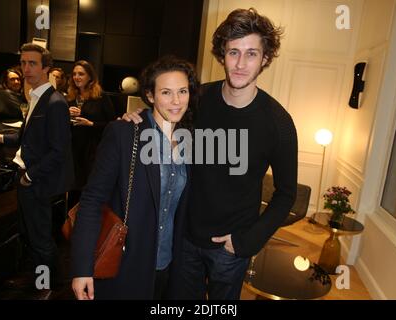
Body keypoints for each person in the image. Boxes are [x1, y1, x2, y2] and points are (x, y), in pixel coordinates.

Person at [122, 8, 298, 300]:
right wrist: (136, 117)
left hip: (231, 247)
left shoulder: (278, 123)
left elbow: (286, 194)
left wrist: (247, 241)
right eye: (233, 52)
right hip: (185, 238)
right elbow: (164, 110)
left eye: (251, 53)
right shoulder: (198, 99)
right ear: (222, 55)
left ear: (265, 58)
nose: (240, 64)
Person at [71, 56, 199, 300]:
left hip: (168, 266)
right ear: (150, 96)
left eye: (182, 91)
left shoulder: (189, 138)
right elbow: (92, 200)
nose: (176, 101)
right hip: (126, 265)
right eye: (166, 92)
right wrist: (82, 268)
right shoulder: (124, 133)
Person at [0, 43, 74, 290]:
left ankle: (49, 286)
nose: (26, 69)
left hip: (37, 180)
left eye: (32, 63)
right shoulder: (35, 98)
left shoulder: (55, 102)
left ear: (46, 68)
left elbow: (59, 151)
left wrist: (30, 175)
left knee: (41, 237)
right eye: (23, 63)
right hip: (29, 177)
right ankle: (40, 279)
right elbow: (25, 138)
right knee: (30, 232)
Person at [66, 60, 116, 210]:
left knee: (88, 192)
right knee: (72, 191)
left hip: (92, 151)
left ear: (90, 77)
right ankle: (69, 226)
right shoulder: (70, 97)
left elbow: (112, 125)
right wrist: (65, 114)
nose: (77, 77)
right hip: (73, 150)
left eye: (81, 74)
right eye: (74, 74)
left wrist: (90, 124)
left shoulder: (101, 97)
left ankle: (86, 224)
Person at [0, 68, 26, 133]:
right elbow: (23, 110)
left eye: (18, 79)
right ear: (5, 82)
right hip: (7, 131)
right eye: (12, 79)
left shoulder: (18, 95)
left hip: (12, 131)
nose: (16, 82)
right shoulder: (4, 94)